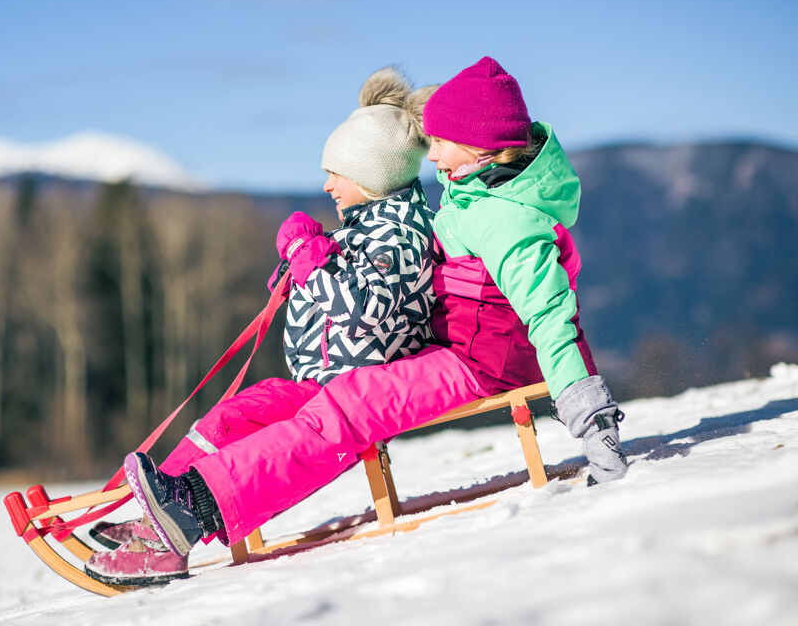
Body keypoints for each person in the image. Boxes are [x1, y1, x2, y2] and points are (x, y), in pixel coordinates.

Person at [116, 57, 629, 577]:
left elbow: (550, 318)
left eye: (440, 142)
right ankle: (169, 506)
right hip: (459, 349)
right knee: (308, 403)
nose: (430, 154)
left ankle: (193, 507)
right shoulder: (478, 189)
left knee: (347, 406)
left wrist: (592, 422)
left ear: (478, 145)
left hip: (487, 364)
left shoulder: (510, 222)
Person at [84, 66, 437, 585]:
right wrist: (302, 266)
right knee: (231, 417)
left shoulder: (402, 239)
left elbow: (363, 314)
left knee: (272, 439)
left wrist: (311, 261)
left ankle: (178, 523)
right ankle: (157, 516)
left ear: (373, 173)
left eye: (336, 172)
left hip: (352, 391)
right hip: (314, 383)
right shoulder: (363, 229)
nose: (326, 184)